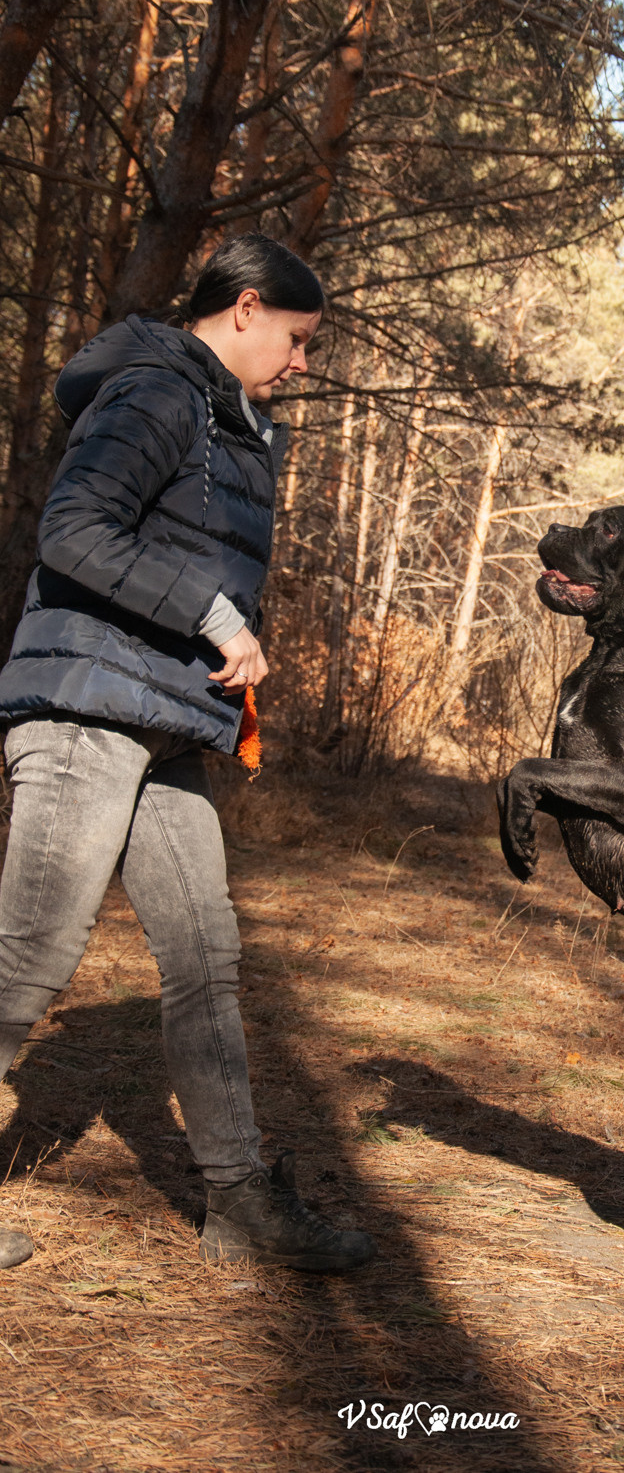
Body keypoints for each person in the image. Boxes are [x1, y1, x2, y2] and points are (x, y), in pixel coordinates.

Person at [0, 234, 374, 1274]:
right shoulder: (159, 393)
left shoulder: (237, 424)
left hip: (163, 719)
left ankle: (240, 1200)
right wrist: (215, 613)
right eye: (297, 339)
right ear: (245, 310)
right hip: (85, 708)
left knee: (205, 960)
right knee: (27, 955)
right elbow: (73, 531)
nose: (303, 363)